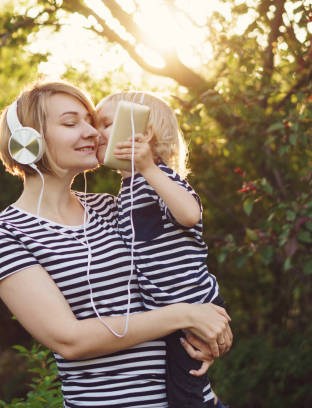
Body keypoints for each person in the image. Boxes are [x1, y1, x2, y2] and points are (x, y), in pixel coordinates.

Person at [0, 81, 232, 407]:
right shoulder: (4, 233)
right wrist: (186, 316)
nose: (94, 133)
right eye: (71, 123)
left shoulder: (112, 207)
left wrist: (213, 331)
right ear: (29, 140)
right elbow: (70, 340)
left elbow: (178, 270)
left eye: (92, 122)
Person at [96, 91, 229, 407]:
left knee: (186, 396)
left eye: (105, 124)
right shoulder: (127, 189)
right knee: (180, 391)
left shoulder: (161, 178)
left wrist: (150, 169)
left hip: (194, 303)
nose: (96, 133)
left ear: (143, 132)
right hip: (169, 313)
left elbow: (189, 214)